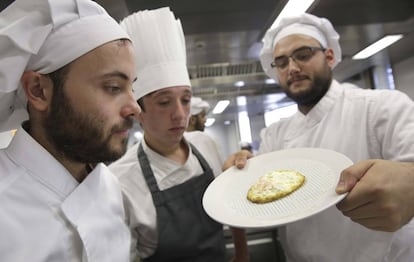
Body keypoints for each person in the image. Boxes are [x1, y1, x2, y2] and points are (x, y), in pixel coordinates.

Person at [245, 12, 414, 261]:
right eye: (281, 62)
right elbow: (259, 191)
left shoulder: (381, 108)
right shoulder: (274, 135)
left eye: (303, 55)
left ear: (330, 56)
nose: (292, 68)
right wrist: (239, 170)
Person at [0, 0, 140, 261]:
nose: (134, 108)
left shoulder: (108, 186)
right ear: (38, 91)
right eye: (112, 87)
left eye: (132, 87)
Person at [109, 7, 249, 262]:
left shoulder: (206, 144)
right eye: (164, 102)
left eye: (185, 100)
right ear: (138, 111)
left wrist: (241, 253)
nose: (180, 114)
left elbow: (231, 207)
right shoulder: (120, 180)